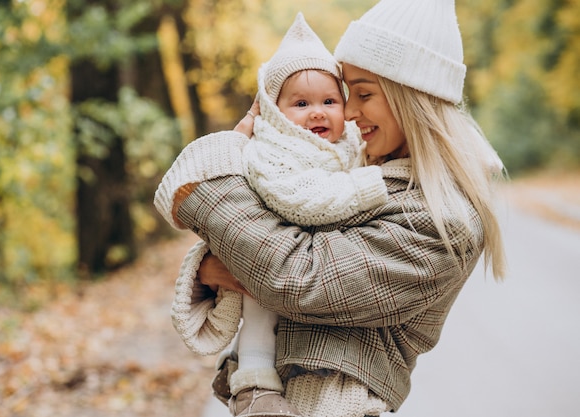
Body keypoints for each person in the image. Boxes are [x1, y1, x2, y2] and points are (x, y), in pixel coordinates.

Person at [155, 1, 506, 416]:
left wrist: (220, 169)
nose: (350, 114)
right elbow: (273, 240)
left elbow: (298, 277)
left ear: (410, 97)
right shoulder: (361, 167)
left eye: (364, 94)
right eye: (347, 95)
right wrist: (217, 266)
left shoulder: (444, 220)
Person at [166, 13, 389, 417]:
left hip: (309, 277)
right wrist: (365, 188)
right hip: (268, 248)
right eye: (301, 104)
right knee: (259, 312)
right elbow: (293, 198)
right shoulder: (275, 151)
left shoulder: (352, 144)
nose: (317, 113)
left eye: (329, 101)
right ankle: (253, 385)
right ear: (273, 112)